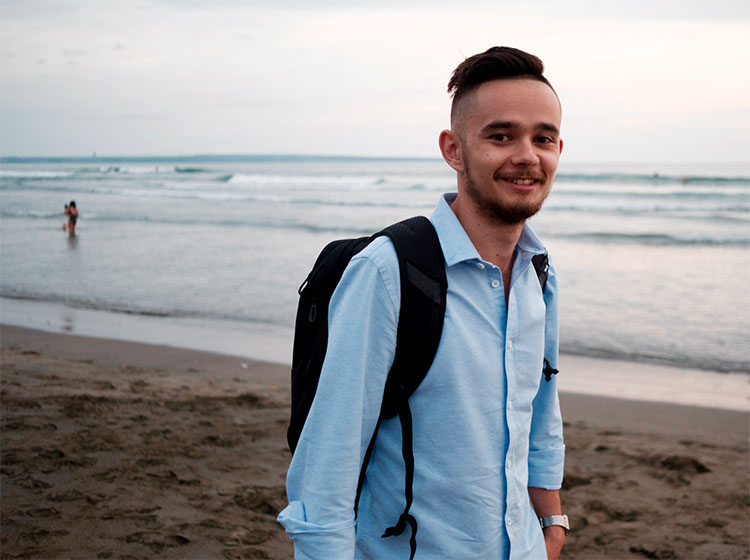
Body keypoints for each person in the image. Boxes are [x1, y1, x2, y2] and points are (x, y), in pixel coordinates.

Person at [278, 46, 567, 559]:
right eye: (501, 136)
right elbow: (328, 461)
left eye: (542, 138)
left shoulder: (538, 273)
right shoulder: (388, 272)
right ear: (453, 150)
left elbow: (539, 408)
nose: (527, 155)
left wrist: (551, 524)